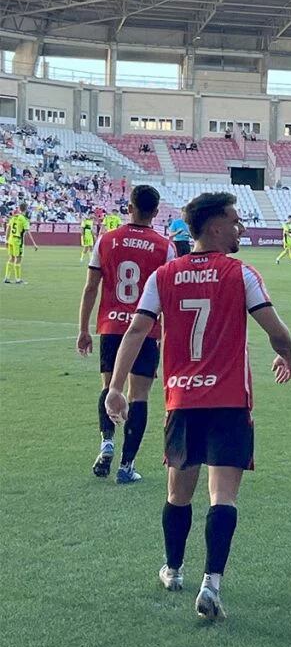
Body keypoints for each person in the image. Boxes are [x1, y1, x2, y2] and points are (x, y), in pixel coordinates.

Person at [105, 192, 291, 621]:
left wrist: (115, 388)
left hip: (183, 399)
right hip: (229, 401)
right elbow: (275, 330)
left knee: (178, 493)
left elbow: (136, 331)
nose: (240, 227)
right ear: (213, 227)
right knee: (222, 496)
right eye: (234, 221)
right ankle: (212, 582)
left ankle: (173, 569)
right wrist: (286, 354)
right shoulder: (241, 274)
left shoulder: (164, 275)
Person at [77, 185, 175, 483]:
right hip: (145, 330)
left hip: (111, 327)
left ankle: (106, 442)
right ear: (156, 212)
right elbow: (170, 297)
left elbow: (91, 287)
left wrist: (83, 329)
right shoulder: (164, 246)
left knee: (109, 387)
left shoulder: (107, 240)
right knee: (139, 396)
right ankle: (126, 466)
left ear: (128, 207)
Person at [4, 205, 38, 284]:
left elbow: (8, 228)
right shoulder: (24, 219)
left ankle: (7, 277)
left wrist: (6, 239)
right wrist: (34, 244)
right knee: (18, 259)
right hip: (18, 240)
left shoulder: (14, 217)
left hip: (11, 240)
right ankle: (18, 279)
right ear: (25, 210)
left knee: (11, 258)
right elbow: (28, 232)